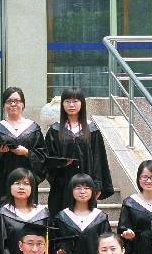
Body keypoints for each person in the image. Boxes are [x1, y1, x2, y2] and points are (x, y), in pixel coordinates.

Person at [44, 87, 115, 216]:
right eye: (67, 101)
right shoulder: (55, 130)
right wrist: (60, 164)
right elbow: (47, 159)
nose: (71, 105)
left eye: (75, 101)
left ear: (82, 103)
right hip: (62, 185)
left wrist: (97, 185)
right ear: (62, 104)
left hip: (86, 186)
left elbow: (99, 159)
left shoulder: (92, 130)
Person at [52, 173, 113, 254]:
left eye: (87, 188)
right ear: (71, 191)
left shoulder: (100, 218)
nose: (82, 191)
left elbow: (107, 244)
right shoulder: (62, 218)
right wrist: (59, 252)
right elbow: (55, 245)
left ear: (93, 191)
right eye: (78, 187)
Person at [0, 87, 46, 209]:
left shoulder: (33, 128)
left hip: (26, 180)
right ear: (4, 105)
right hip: (3, 182)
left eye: (17, 101)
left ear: (23, 104)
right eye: (9, 101)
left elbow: (43, 156)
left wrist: (27, 153)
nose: (13, 104)